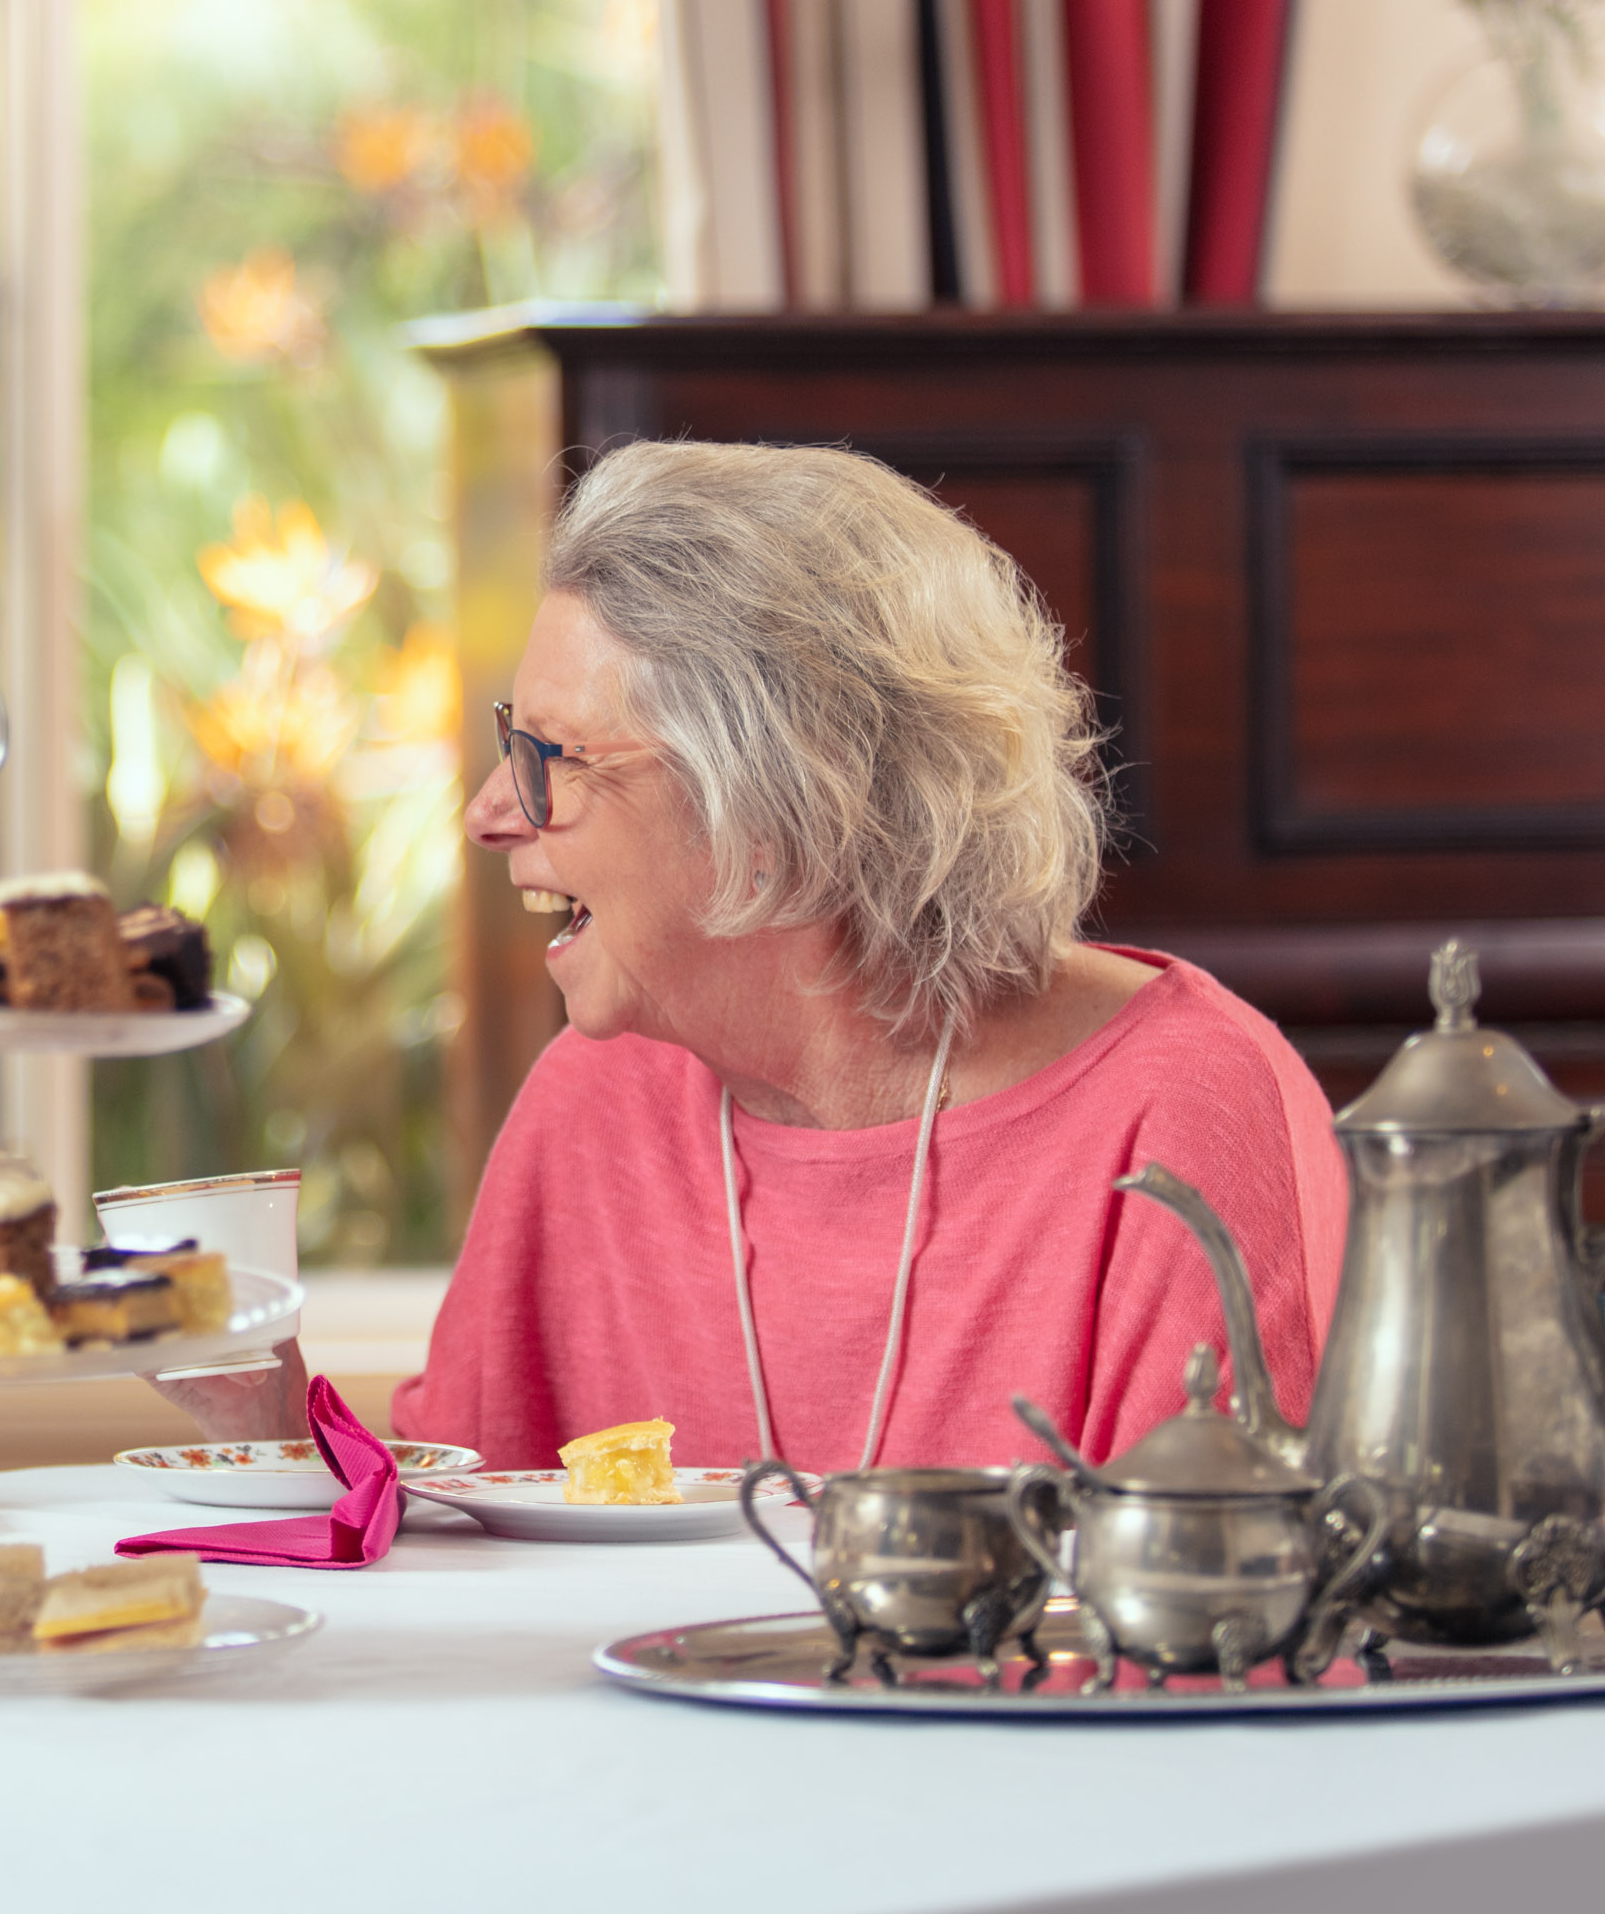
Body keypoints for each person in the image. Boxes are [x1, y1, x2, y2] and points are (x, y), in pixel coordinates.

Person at [383, 439, 1346, 1476]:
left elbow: (1231, 1617)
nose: (487, 816)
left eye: (545, 755)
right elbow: (443, 1537)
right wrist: (234, 1358)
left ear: (770, 804)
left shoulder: (1180, 1112)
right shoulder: (594, 1103)